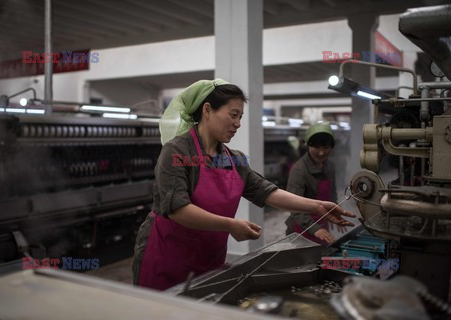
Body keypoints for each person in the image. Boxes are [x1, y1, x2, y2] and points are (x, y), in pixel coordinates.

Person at [132, 79, 354, 291]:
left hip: (208, 258)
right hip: (167, 257)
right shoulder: (177, 151)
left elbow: (268, 191)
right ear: (207, 110)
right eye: (233, 115)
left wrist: (317, 206)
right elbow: (178, 210)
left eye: (240, 117)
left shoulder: (233, 159)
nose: (238, 124)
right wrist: (230, 225)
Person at [284, 122, 339, 245]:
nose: (321, 153)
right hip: (301, 228)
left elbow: (332, 193)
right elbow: (294, 207)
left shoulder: (330, 166)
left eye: (326, 148)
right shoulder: (299, 170)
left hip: (322, 223)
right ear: (308, 146)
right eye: (316, 148)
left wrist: (335, 212)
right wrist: (315, 228)